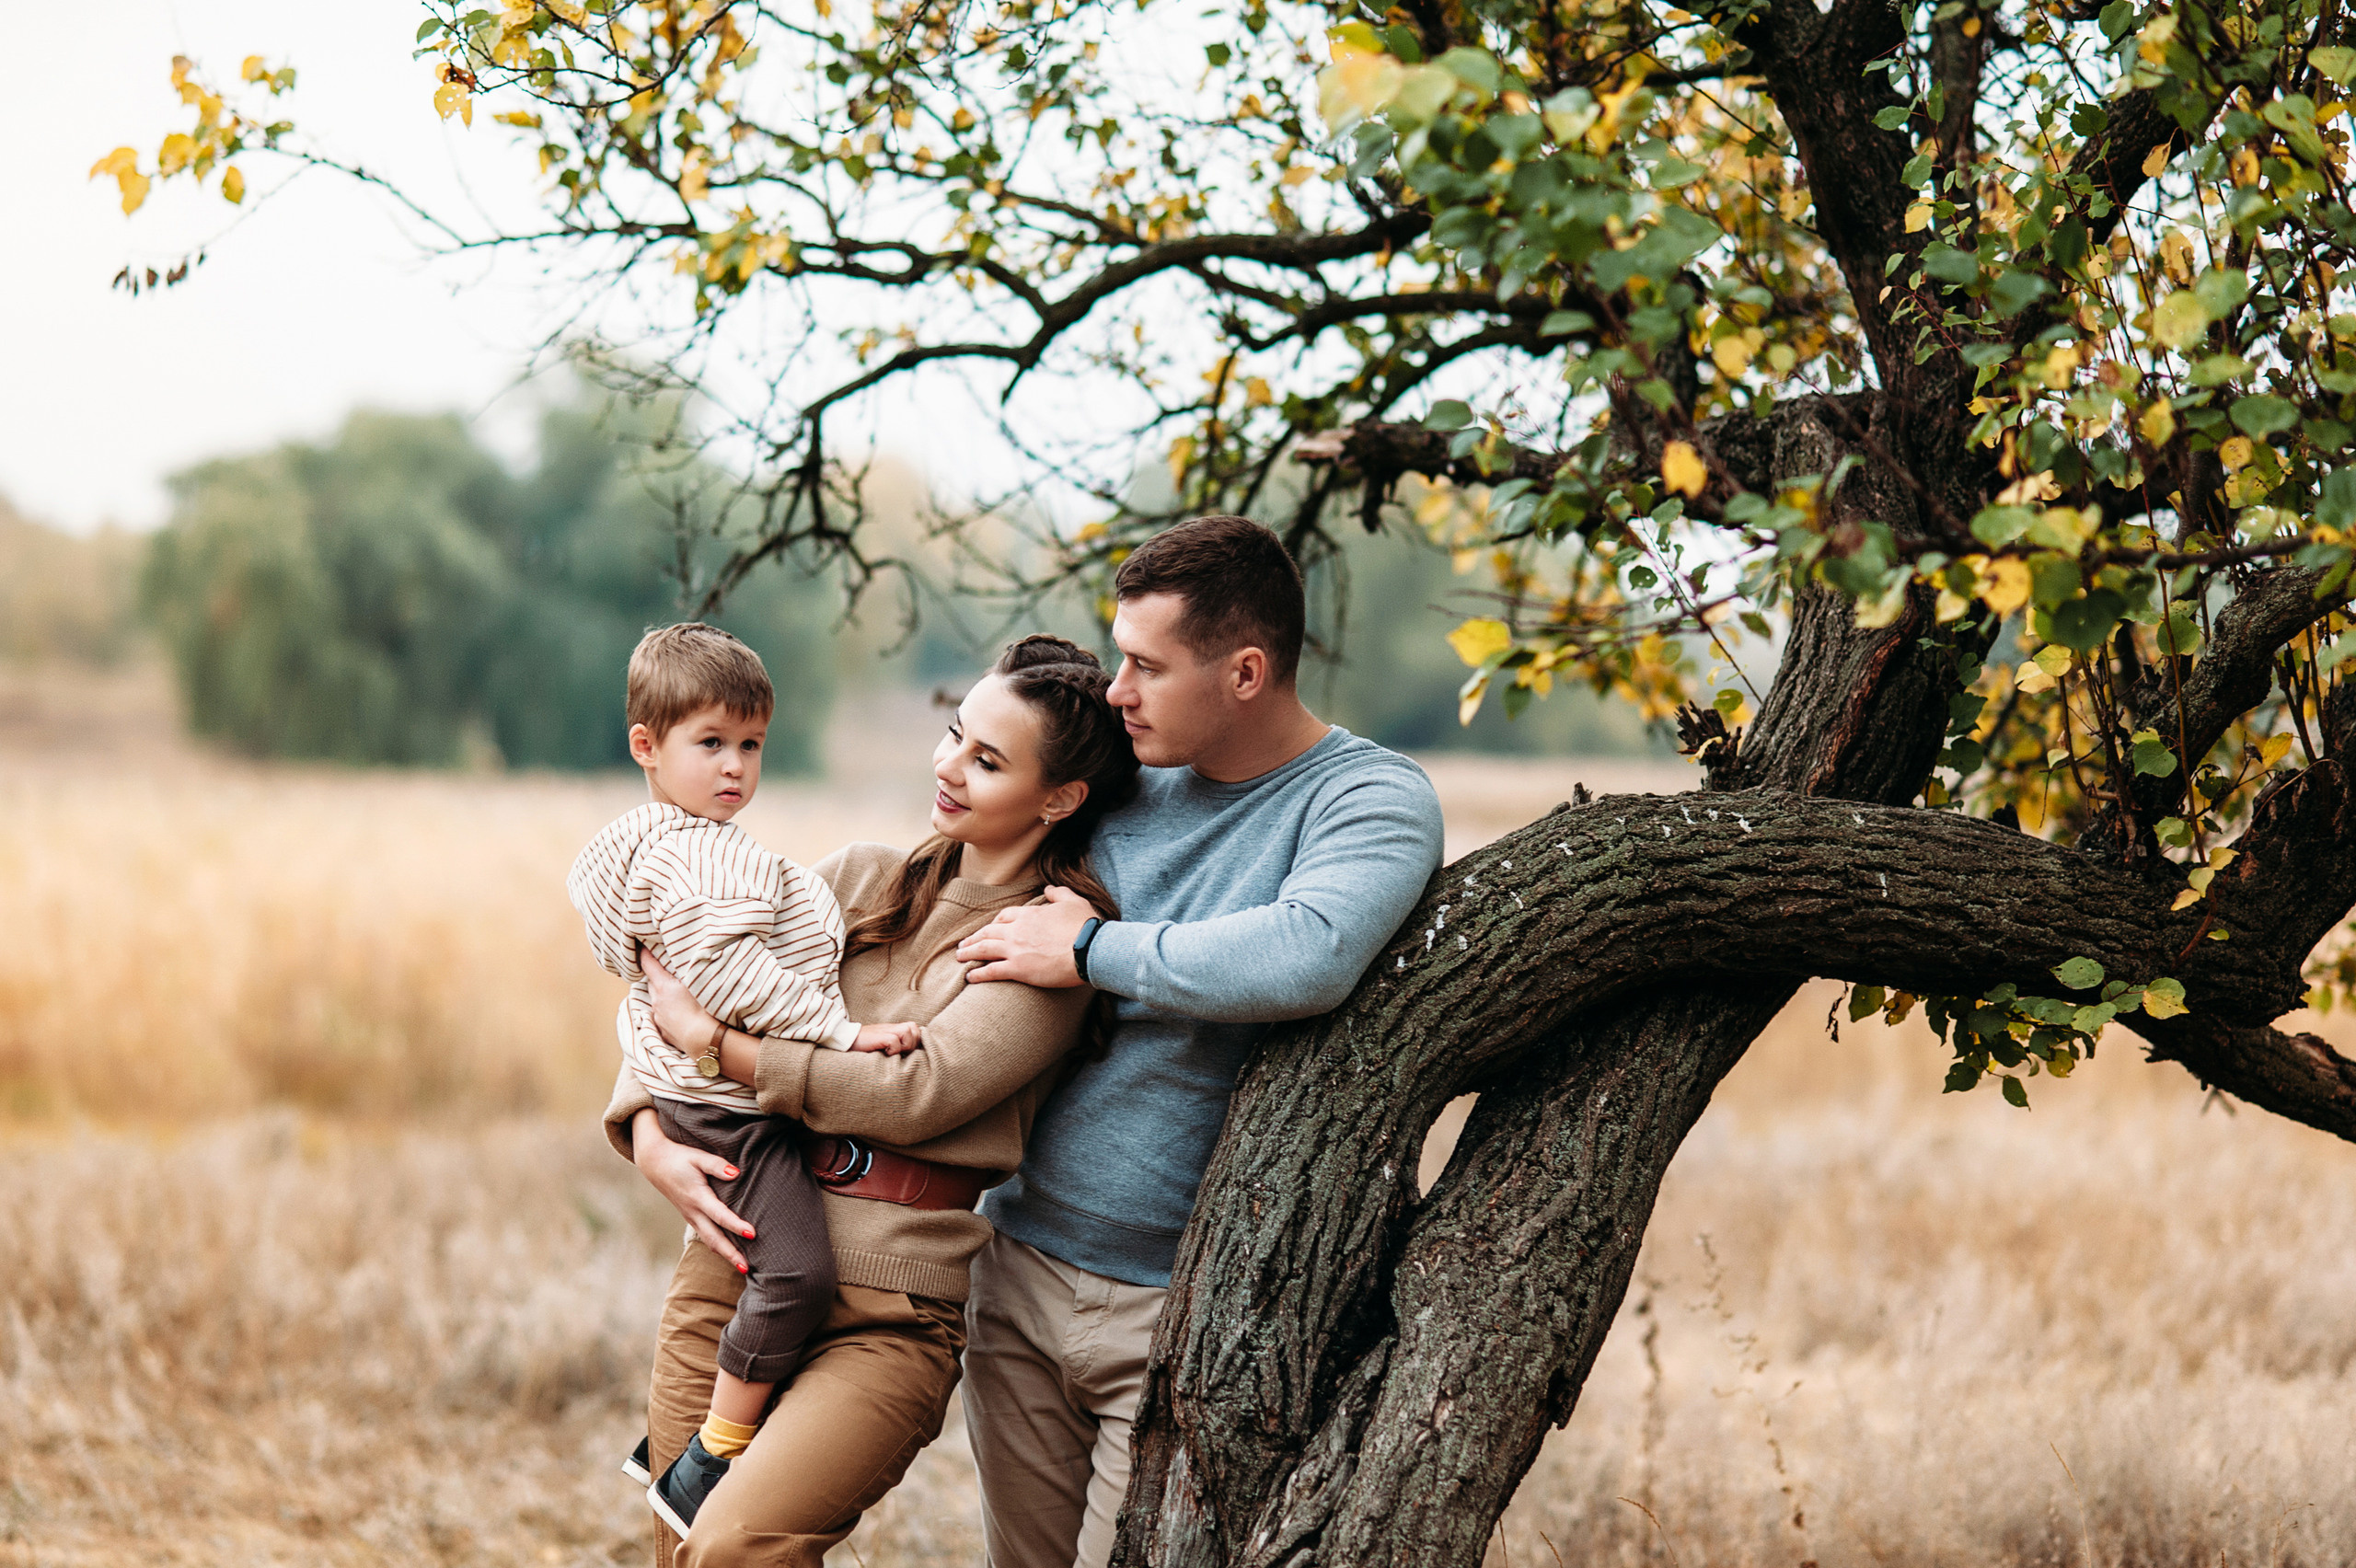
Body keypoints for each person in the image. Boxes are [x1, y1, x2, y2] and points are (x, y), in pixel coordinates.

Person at [951, 514, 1447, 1568]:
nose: (1117, 691)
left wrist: (1093, 950)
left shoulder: (1366, 798)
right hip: (1016, 1265)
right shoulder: (1118, 782)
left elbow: (1306, 954)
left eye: (1145, 665)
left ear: (1247, 672)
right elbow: (948, 891)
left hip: (1179, 1307)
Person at [608, 634, 1141, 1567]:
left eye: (987, 759)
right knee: (679, 1548)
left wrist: (722, 1051)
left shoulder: (1048, 945)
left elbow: (914, 1093)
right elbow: (680, 978)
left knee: (736, 1547)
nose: (949, 767)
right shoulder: (858, 878)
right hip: (731, 1266)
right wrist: (646, 1126)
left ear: (1058, 799)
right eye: (953, 735)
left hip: (890, 1309)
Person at [567, 622, 923, 1537]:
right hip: (732, 1116)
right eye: (711, 744)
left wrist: (669, 1055)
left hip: (698, 1099)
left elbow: (658, 978)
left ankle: (686, 1443)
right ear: (646, 747)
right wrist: (839, 1029)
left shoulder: (649, 839)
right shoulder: (702, 857)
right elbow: (725, 983)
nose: (736, 768)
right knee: (796, 1273)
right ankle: (709, 1452)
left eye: (752, 745)